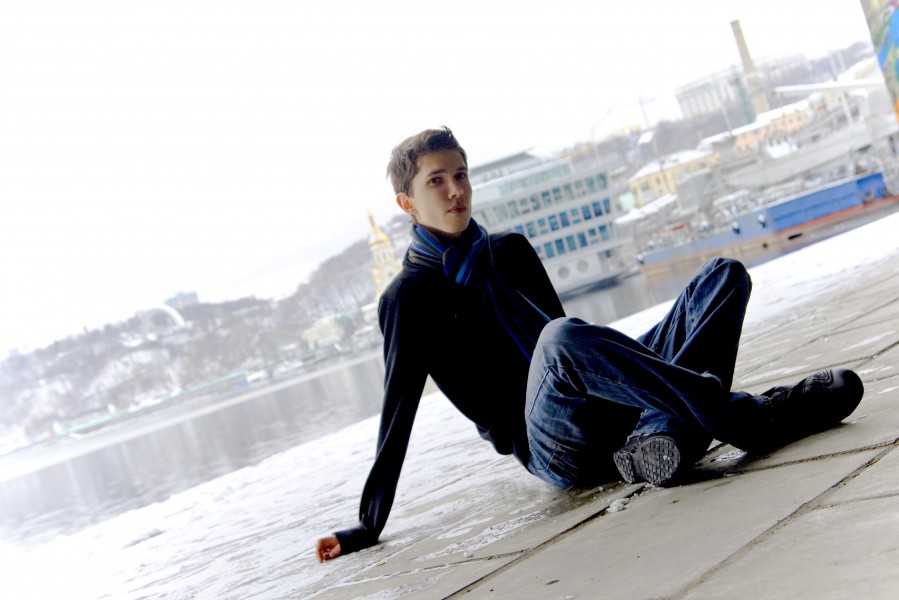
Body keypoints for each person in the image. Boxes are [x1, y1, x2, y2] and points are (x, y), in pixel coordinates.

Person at [315, 126, 864, 562]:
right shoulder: (407, 298)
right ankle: (749, 416)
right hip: (549, 444)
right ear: (407, 203)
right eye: (436, 181)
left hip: (599, 404)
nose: (456, 190)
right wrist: (367, 523)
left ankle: (657, 437)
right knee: (558, 340)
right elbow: (398, 411)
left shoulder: (510, 252)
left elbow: (578, 348)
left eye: (460, 174)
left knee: (723, 277)